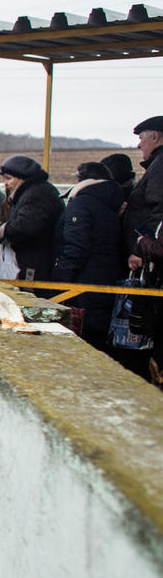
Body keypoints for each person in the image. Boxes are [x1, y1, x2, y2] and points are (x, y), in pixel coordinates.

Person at [53, 168, 123, 347]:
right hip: (105, 280)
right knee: (97, 336)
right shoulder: (108, 204)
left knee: (82, 337)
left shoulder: (81, 204)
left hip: (82, 283)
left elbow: (76, 246)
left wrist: (59, 280)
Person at [122, 116, 163, 381]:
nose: (139, 145)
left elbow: (157, 212)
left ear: (156, 137)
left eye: (141, 138)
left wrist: (141, 248)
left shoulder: (161, 165)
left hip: (153, 261)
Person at [0, 154, 64, 282]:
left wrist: (2, 230)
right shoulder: (38, 191)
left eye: (9, 178)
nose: (6, 183)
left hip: (34, 266)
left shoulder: (36, 195)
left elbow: (24, 227)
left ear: (21, 178)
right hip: (37, 261)